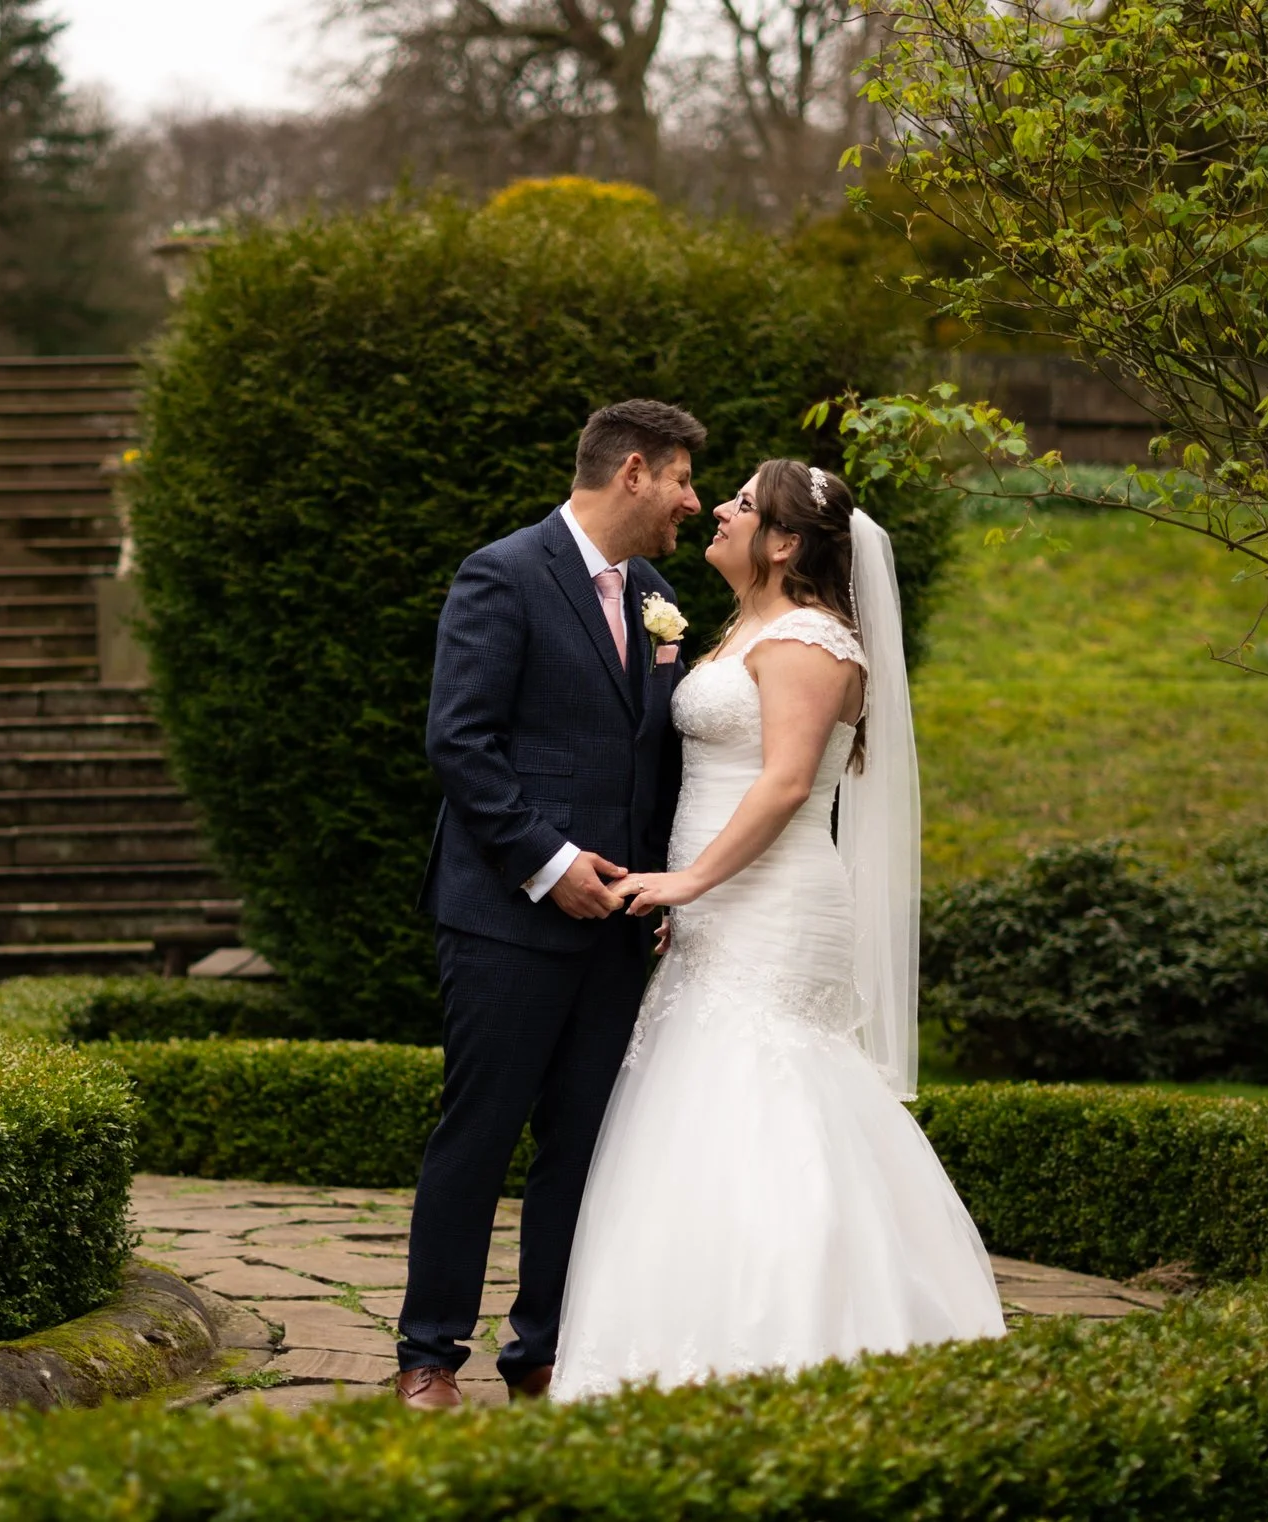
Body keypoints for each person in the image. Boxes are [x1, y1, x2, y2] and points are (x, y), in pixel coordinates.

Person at [550, 459, 1004, 1398]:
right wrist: (691, 891)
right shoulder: (743, 629)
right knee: (696, 1105)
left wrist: (687, 881)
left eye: (745, 505)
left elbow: (788, 783)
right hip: (719, 905)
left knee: (771, 1095)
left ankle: (802, 1339)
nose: (719, 508)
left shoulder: (811, 640)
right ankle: (676, 1343)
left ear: (787, 542)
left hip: (775, 902)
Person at [399, 399, 704, 1410]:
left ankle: (541, 1345)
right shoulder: (503, 572)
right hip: (505, 913)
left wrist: (657, 880)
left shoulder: (657, 596)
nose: (691, 504)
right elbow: (462, 743)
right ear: (630, 471)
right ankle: (428, 1353)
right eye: (680, 480)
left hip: (616, 924)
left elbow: (654, 764)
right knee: (479, 1130)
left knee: (582, 1140)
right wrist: (551, 860)